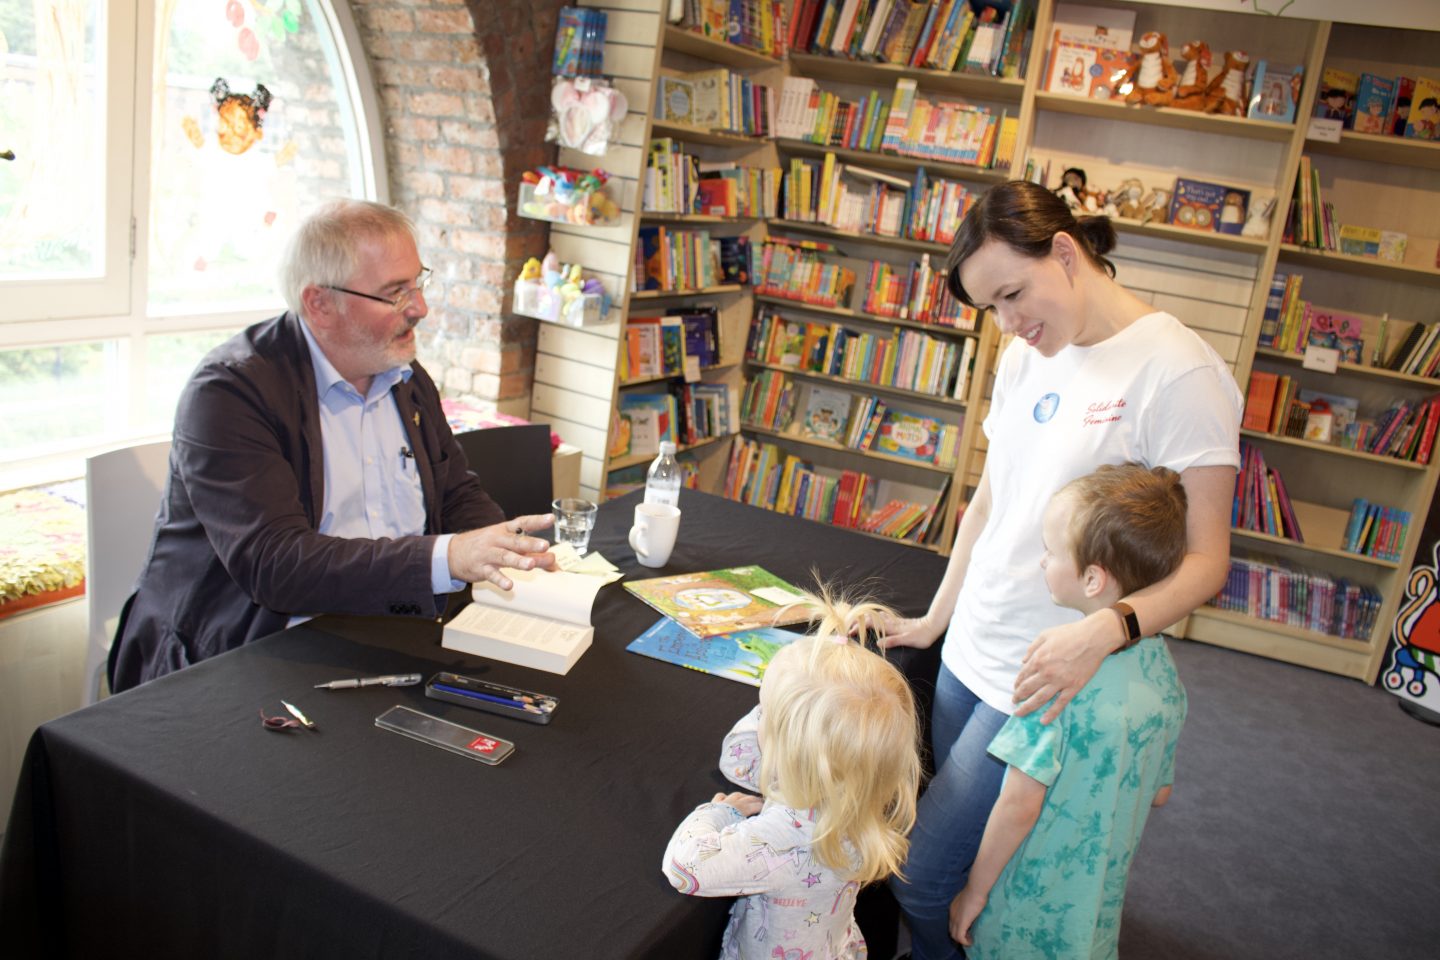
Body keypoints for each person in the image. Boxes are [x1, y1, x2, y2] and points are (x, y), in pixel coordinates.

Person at [881, 180, 1241, 959]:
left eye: (1013, 293)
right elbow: (990, 499)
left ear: (1067, 252)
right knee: (974, 877)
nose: (1010, 323)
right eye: (992, 309)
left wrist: (1106, 632)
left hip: (1050, 672)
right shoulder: (1022, 354)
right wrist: (936, 620)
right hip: (973, 646)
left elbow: (1209, 562)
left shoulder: (1178, 372)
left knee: (922, 876)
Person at [109, 199, 556, 692]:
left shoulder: (403, 376)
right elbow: (275, 563)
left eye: (418, 283)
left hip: (380, 628)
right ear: (320, 304)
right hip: (243, 653)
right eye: (394, 293)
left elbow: (452, 490)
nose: (421, 308)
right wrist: (448, 557)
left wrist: (503, 549)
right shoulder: (230, 393)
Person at [950, 463, 1190, 958]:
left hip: (1021, 908)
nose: (1042, 562)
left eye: (1050, 550)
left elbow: (1019, 805)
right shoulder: (1165, 677)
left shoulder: (1055, 678)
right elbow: (1160, 791)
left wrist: (974, 891)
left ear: (1093, 578)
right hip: (1095, 909)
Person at [661, 593, 923, 960]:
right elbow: (737, 761)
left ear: (795, 751)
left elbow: (683, 867)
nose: (757, 718)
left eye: (763, 712)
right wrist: (783, 713)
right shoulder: (853, 790)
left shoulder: (781, 840)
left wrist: (720, 813)